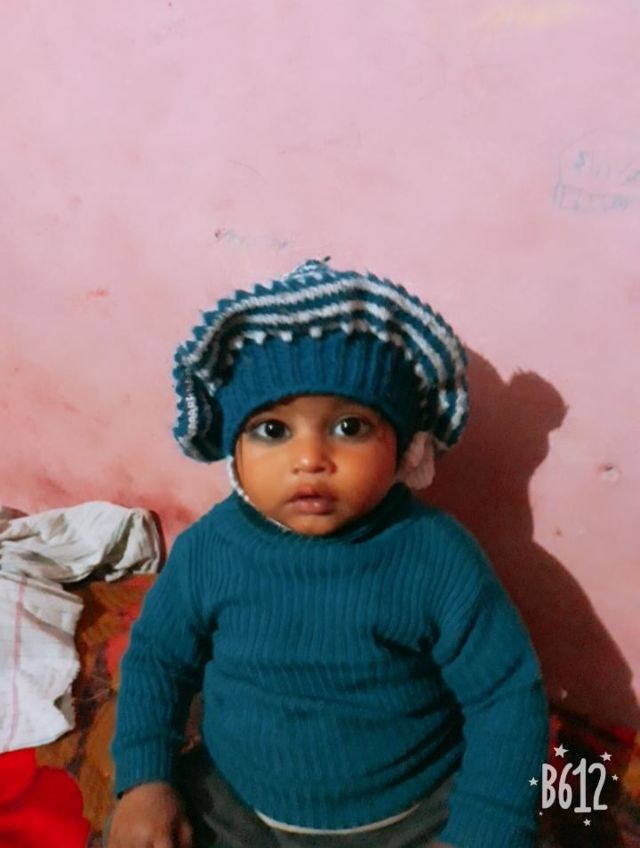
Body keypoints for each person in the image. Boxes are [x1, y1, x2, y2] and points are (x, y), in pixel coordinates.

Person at [108, 259, 549, 848]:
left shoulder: (437, 556)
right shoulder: (210, 550)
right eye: (272, 430)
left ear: (404, 448)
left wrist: (484, 828)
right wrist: (144, 780)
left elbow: (506, 696)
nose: (309, 459)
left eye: (350, 427)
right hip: (239, 802)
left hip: (414, 812)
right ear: (233, 452)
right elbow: (158, 660)